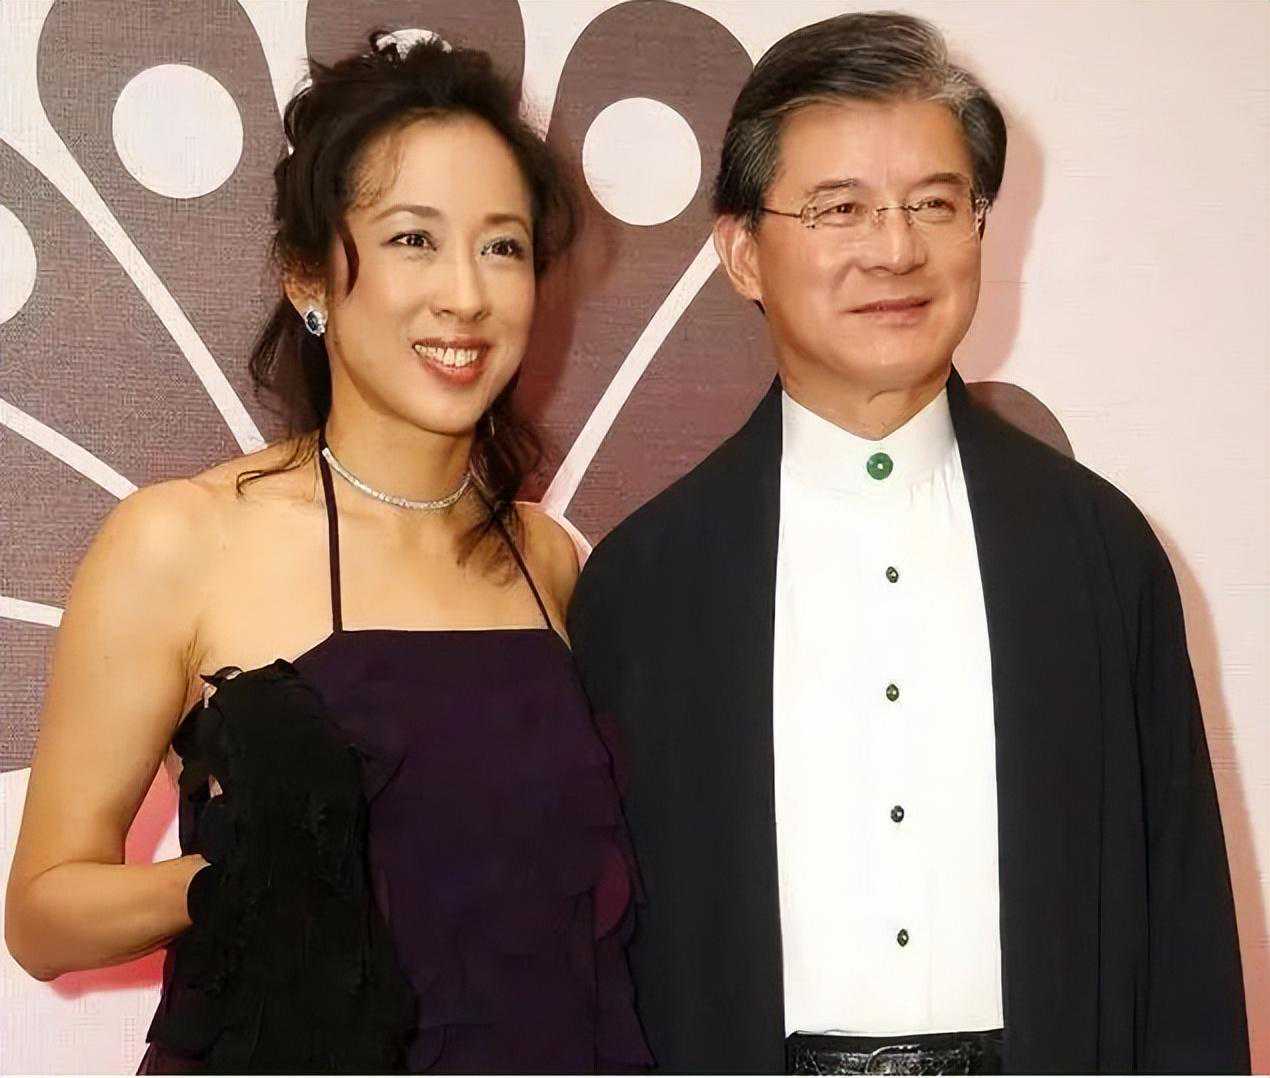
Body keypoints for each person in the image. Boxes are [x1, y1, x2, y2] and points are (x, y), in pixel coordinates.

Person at [568, 12, 1248, 1075]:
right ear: (742, 253)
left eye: (934, 203)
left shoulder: (1099, 553)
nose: (895, 249)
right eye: (840, 208)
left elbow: (1186, 940)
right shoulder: (644, 584)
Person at [5, 33, 650, 1074]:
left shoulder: (550, 560)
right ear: (309, 275)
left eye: (502, 246)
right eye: (412, 239)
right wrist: (239, 876)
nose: (465, 294)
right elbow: (42, 916)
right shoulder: (180, 539)